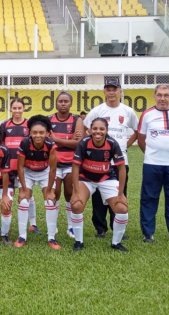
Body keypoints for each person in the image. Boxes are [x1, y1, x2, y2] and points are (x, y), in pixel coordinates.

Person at [83, 78, 138, 239]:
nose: (111, 92)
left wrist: (125, 145)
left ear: (120, 91)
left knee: (119, 194)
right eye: (108, 89)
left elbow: (137, 130)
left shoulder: (127, 111)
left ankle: (117, 227)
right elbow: (86, 128)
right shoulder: (97, 111)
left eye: (115, 89)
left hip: (120, 163)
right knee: (98, 196)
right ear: (104, 91)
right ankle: (100, 228)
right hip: (98, 162)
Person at [137, 84, 169, 246]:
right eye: (159, 95)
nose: (163, 98)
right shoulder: (147, 114)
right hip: (152, 163)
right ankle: (148, 233)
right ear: (154, 96)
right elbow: (141, 139)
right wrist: (153, 153)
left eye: (166, 95)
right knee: (149, 198)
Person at [69, 118, 129, 252]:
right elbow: (75, 167)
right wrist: (76, 191)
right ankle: (79, 241)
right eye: (95, 128)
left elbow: (121, 168)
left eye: (102, 129)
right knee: (76, 204)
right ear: (90, 130)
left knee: (122, 208)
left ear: (106, 130)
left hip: (107, 179)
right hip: (86, 179)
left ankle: (116, 243)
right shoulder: (84, 143)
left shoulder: (112, 143)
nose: (98, 132)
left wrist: (121, 194)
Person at [15, 115, 58, 249]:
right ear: (30, 133)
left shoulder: (51, 145)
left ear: (47, 133)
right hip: (28, 172)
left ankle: (51, 238)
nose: (38, 135)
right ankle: (22, 237)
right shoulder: (25, 143)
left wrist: (50, 189)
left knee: (51, 200)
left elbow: (52, 170)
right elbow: (20, 167)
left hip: (45, 172)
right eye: (34, 132)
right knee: (23, 200)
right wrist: (23, 188)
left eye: (41, 132)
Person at [49, 92, 84, 239]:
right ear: (56, 103)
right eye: (60, 101)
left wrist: (56, 139)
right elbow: (47, 140)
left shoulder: (77, 120)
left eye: (66, 101)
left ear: (70, 104)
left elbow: (78, 143)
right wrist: (69, 139)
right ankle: (53, 226)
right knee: (54, 194)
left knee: (70, 193)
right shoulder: (49, 120)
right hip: (54, 164)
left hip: (71, 164)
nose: (63, 104)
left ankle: (71, 227)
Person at [0, 98, 35, 234]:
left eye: (20, 108)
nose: (17, 111)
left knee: (27, 196)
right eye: (15, 108)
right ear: (11, 109)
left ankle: (33, 224)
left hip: (23, 168)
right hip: (8, 168)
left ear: (24, 109)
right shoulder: (4, 125)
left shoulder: (29, 125)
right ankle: (5, 226)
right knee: (8, 197)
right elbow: (0, 146)